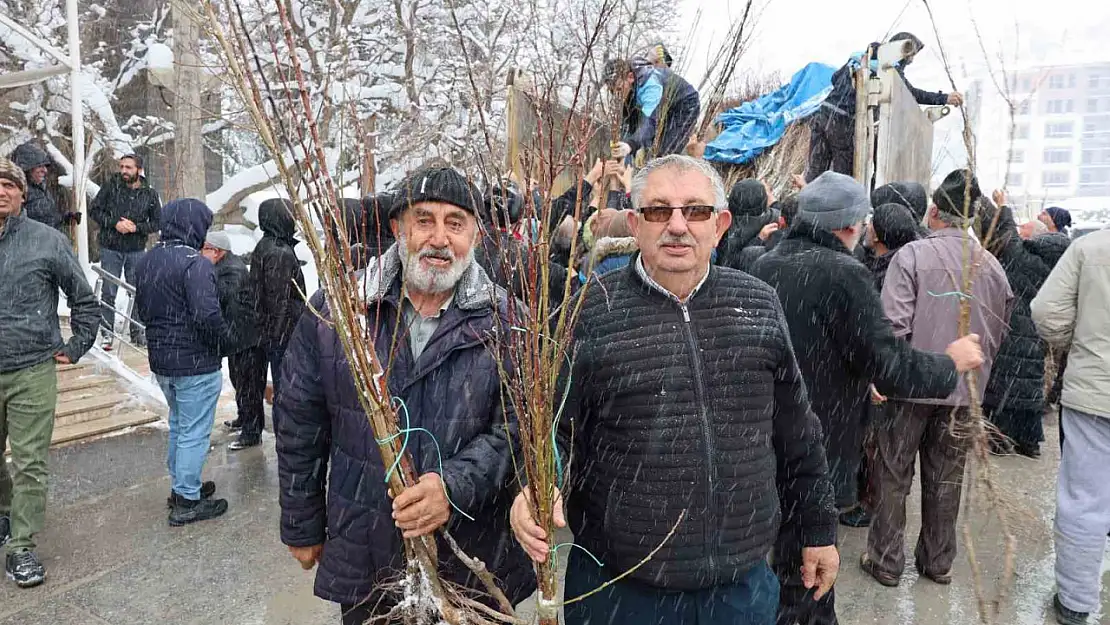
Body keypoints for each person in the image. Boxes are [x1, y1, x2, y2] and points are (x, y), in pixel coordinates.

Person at [511, 155, 840, 625]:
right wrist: (537, 485)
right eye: (659, 210)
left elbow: (797, 431)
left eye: (697, 211)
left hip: (738, 588)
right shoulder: (589, 313)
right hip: (620, 591)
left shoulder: (758, 303)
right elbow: (554, 432)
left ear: (721, 224)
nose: (678, 226)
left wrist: (818, 528)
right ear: (634, 223)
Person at [276, 166, 534, 623]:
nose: (439, 238)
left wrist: (452, 487)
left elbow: (518, 431)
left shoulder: (509, 322)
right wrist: (302, 522)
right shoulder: (339, 312)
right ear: (397, 227)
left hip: (471, 554)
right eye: (424, 219)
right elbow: (300, 420)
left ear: (475, 234)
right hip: (368, 546)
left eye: (455, 222)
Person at [749, 172, 982, 625]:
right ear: (853, 226)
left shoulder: (766, 264)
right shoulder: (845, 273)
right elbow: (890, 366)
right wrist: (949, 363)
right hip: (818, 439)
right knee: (809, 569)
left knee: (780, 557)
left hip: (766, 431)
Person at [863, 169, 1013, 587]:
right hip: (965, 392)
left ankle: (886, 561)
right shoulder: (992, 266)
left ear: (934, 211)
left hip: (910, 388)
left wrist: (886, 376)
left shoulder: (910, 256)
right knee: (947, 477)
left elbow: (893, 327)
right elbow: (998, 332)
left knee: (893, 475)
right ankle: (937, 561)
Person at [0, 157, 99, 588]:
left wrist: (77, 345)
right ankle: (6, 513)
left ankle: (21, 545)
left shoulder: (47, 241)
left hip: (31, 369)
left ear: (22, 193)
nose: (2, 191)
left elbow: (84, 298)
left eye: (9, 184)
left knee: (30, 462)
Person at [1030, 228, 1110, 625]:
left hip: (1095, 391)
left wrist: (1075, 346)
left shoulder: (1091, 247)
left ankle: (1076, 602)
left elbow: (1046, 312)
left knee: (1084, 499)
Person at [134, 198, 229, 526]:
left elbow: (141, 312)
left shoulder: (147, 261)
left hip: (163, 361)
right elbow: (207, 315)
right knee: (194, 430)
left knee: (179, 424)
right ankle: (187, 500)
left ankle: (182, 487)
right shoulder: (196, 264)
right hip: (195, 362)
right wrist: (225, 342)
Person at [805, 32, 963, 182]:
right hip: (843, 122)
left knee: (815, 171)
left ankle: (805, 203)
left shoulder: (859, 57)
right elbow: (911, 94)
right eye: (911, 56)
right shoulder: (888, 68)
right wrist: (944, 98)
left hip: (824, 112)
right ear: (902, 51)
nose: (912, 61)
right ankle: (841, 209)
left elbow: (834, 78)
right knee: (844, 177)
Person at [975, 198, 1059, 459]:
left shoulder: (1025, 261)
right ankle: (1028, 441)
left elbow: (1009, 238)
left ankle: (998, 438)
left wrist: (1001, 207)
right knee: (1029, 385)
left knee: (1003, 386)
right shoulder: (1055, 269)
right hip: (1036, 336)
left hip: (1013, 332)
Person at [235, 198, 305, 434]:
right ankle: (287, 436)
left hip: (274, 332)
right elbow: (278, 301)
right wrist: (278, 338)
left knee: (284, 389)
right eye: (290, 215)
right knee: (286, 390)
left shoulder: (269, 246)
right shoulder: (278, 253)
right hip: (282, 335)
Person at [89, 153, 162, 349]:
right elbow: (94, 210)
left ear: (139, 170)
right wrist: (115, 224)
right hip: (110, 247)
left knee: (138, 291)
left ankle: (138, 333)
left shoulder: (150, 194)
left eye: (128, 167)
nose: (123, 171)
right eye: (121, 167)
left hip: (136, 249)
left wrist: (136, 228)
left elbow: (157, 222)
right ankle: (106, 333)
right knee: (108, 291)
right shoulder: (110, 187)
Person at [200, 231, 265, 451]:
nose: (202, 252)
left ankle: (251, 432)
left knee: (249, 386)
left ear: (217, 252)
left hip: (247, 339)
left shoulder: (231, 271)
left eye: (205, 248)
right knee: (240, 381)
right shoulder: (221, 267)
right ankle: (243, 418)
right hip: (239, 338)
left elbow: (222, 297)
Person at [603, 57, 701, 159]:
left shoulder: (650, 85)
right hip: (664, 106)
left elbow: (649, 121)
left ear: (630, 77)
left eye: (619, 89)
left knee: (665, 153)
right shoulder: (630, 87)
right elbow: (629, 124)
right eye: (612, 91)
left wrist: (631, 145)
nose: (617, 95)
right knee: (649, 147)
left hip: (684, 103)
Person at [9, 142, 79, 232]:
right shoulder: (16, 191)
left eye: (45, 166)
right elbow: (15, 225)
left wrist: (66, 218)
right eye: (39, 166)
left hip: (48, 241)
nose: (45, 170)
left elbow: (47, 217)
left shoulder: (41, 188)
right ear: (27, 168)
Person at [716, 178, 779, 272]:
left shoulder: (726, 223)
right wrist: (758, 240)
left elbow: (726, 264)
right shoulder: (774, 219)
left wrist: (758, 240)